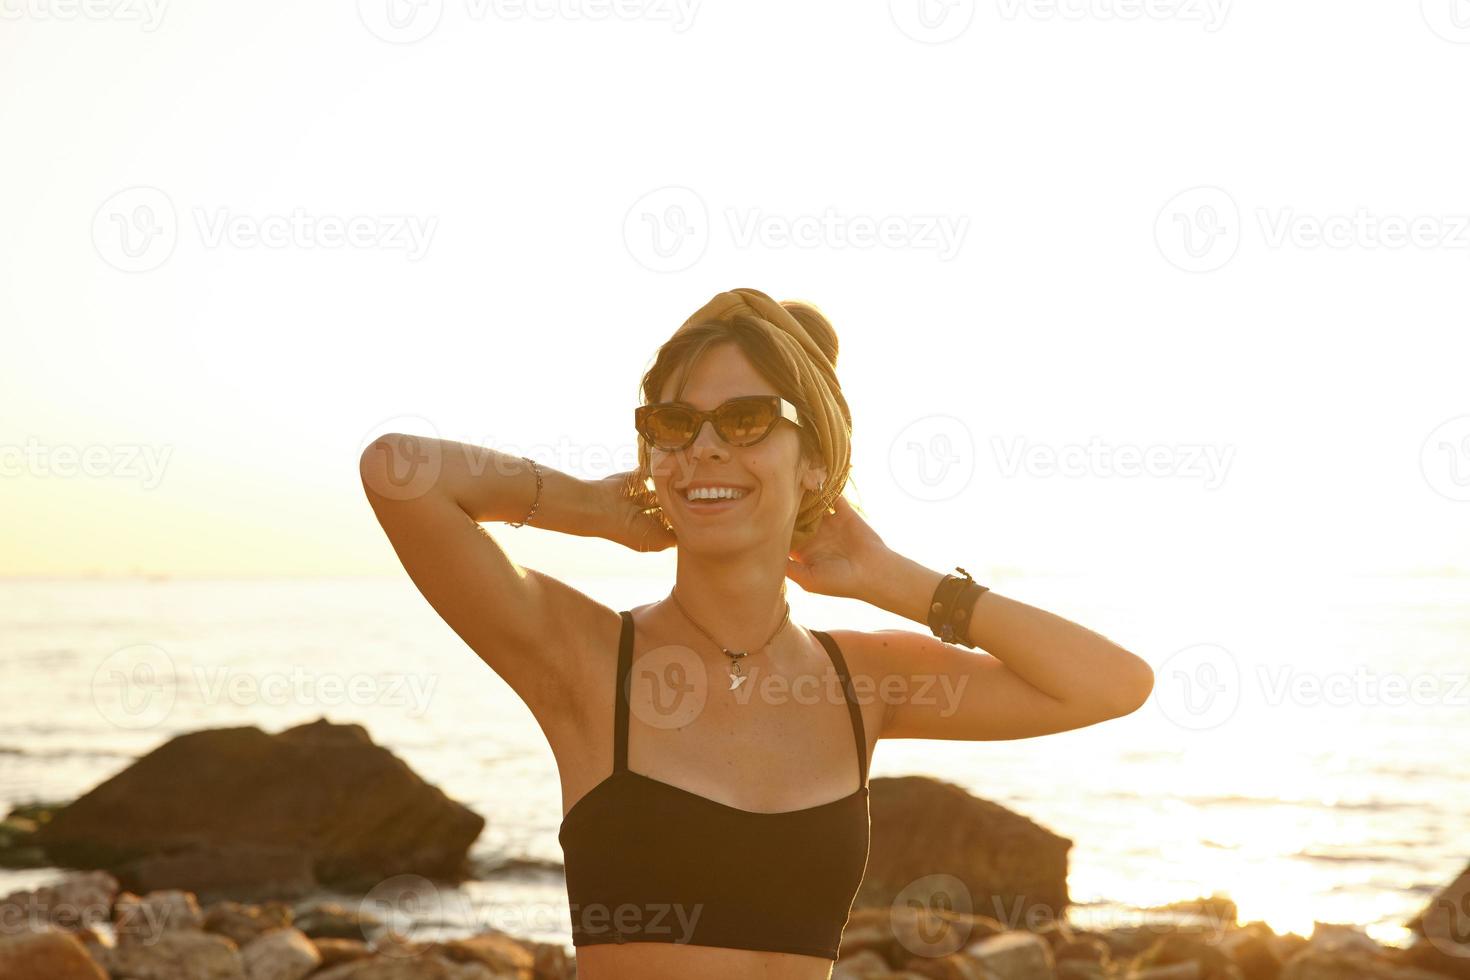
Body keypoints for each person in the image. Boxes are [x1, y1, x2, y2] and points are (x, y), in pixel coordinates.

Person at [359, 287, 1154, 980]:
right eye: (677, 424)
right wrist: (588, 508)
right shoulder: (587, 660)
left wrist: (894, 579)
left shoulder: (861, 684)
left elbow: (1113, 683)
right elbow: (398, 468)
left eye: (746, 420)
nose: (705, 447)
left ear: (815, 461)